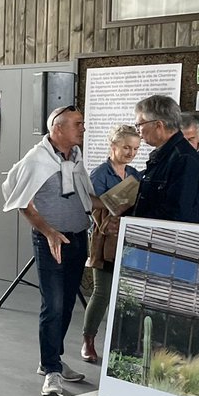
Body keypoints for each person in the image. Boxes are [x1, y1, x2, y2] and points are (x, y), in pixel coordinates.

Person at [1, 105, 95, 396]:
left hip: (78, 239)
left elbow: (85, 195)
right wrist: (49, 232)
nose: (83, 128)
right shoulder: (36, 159)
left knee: (66, 305)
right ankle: (51, 370)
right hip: (51, 242)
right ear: (58, 128)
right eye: (78, 124)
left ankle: (52, 359)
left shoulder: (75, 157)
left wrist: (117, 202)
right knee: (52, 305)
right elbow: (22, 202)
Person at [80, 125, 140, 364]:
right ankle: (88, 340)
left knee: (127, 294)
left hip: (129, 239)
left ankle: (123, 344)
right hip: (104, 240)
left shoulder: (135, 174)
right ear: (113, 146)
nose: (131, 153)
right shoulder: (100, 174)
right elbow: (93, 207)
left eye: (135, 148)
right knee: (102, 292)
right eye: (126, 147)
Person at [132, 95, 199, 224]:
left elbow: (176, 213)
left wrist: (132, 222)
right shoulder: (165, 154)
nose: (139, 132)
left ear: (158, 125)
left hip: (163, 235)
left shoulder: (183, 158)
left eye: (139, 125)